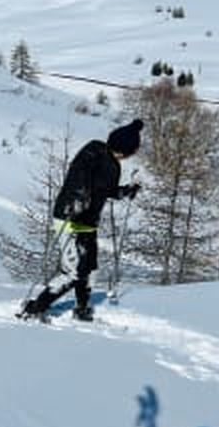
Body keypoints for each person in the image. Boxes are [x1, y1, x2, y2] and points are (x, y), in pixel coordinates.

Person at [20, 119, 144, 322]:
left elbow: (108, 191)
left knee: (90, 267)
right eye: (133, 150)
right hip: (69, 216)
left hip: (87, 221)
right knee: (73, 271)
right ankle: (34, 309)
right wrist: (78, 197)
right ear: (126, 148)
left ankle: (82, 308)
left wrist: (127, 190)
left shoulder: (114, 165)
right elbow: (78, 174)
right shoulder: (93, 151)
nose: (132, 154)